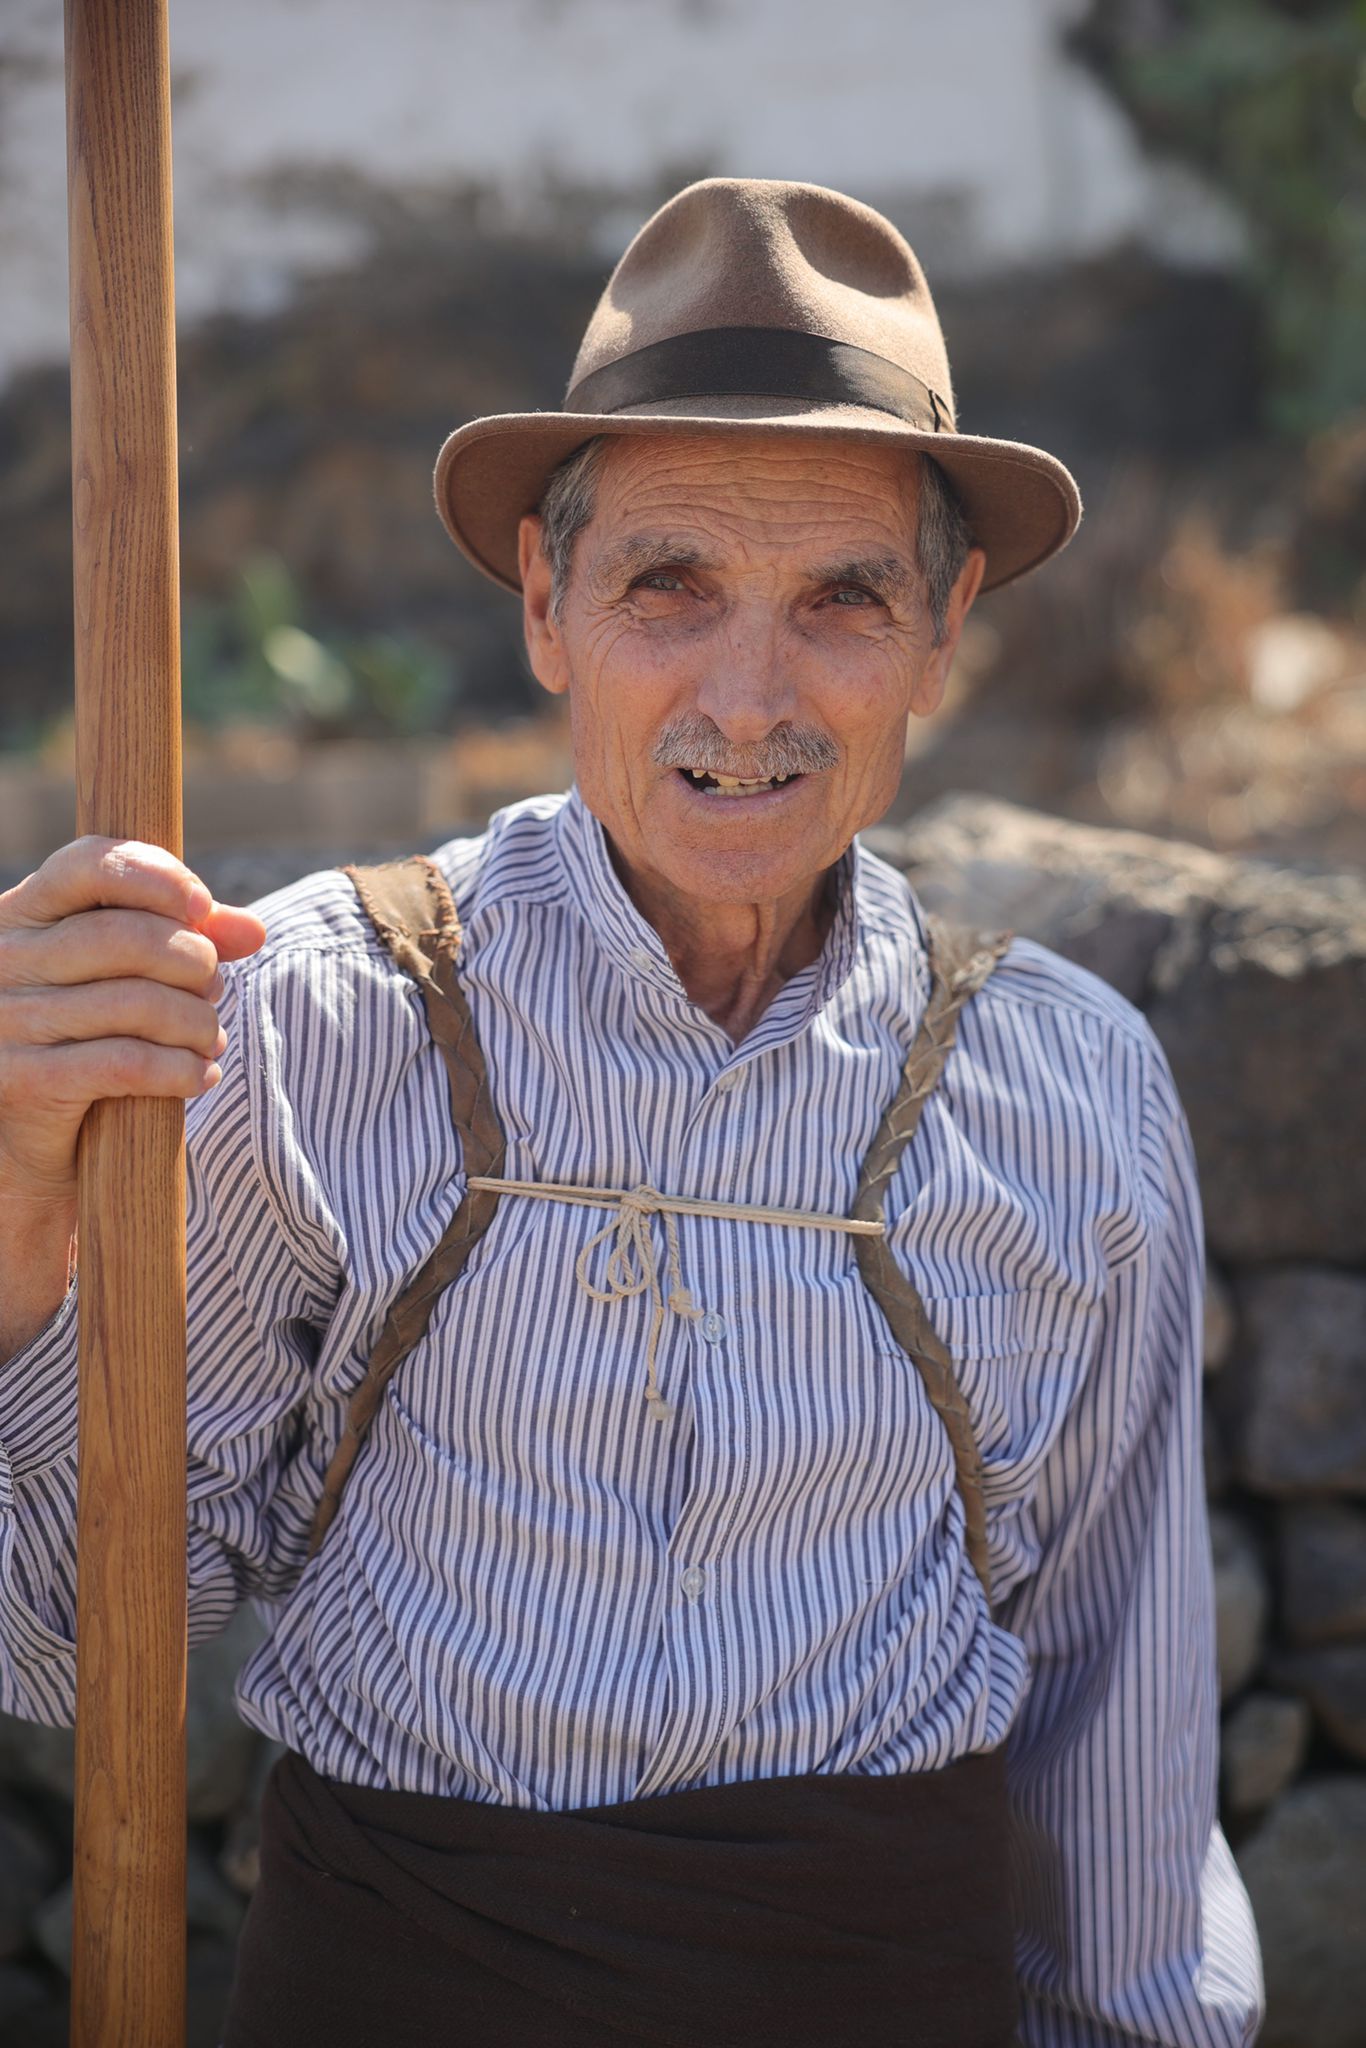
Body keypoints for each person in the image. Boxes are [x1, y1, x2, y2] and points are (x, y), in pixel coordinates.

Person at [0, 179, 1262, 2045]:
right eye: (667, 585)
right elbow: (63, 1640)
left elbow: (1115, 1737)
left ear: (944, 632)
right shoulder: (306, 1019)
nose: (747, 701)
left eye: (843, 599)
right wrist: (25, 1201)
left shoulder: (1067, 1089)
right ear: (546, 603)